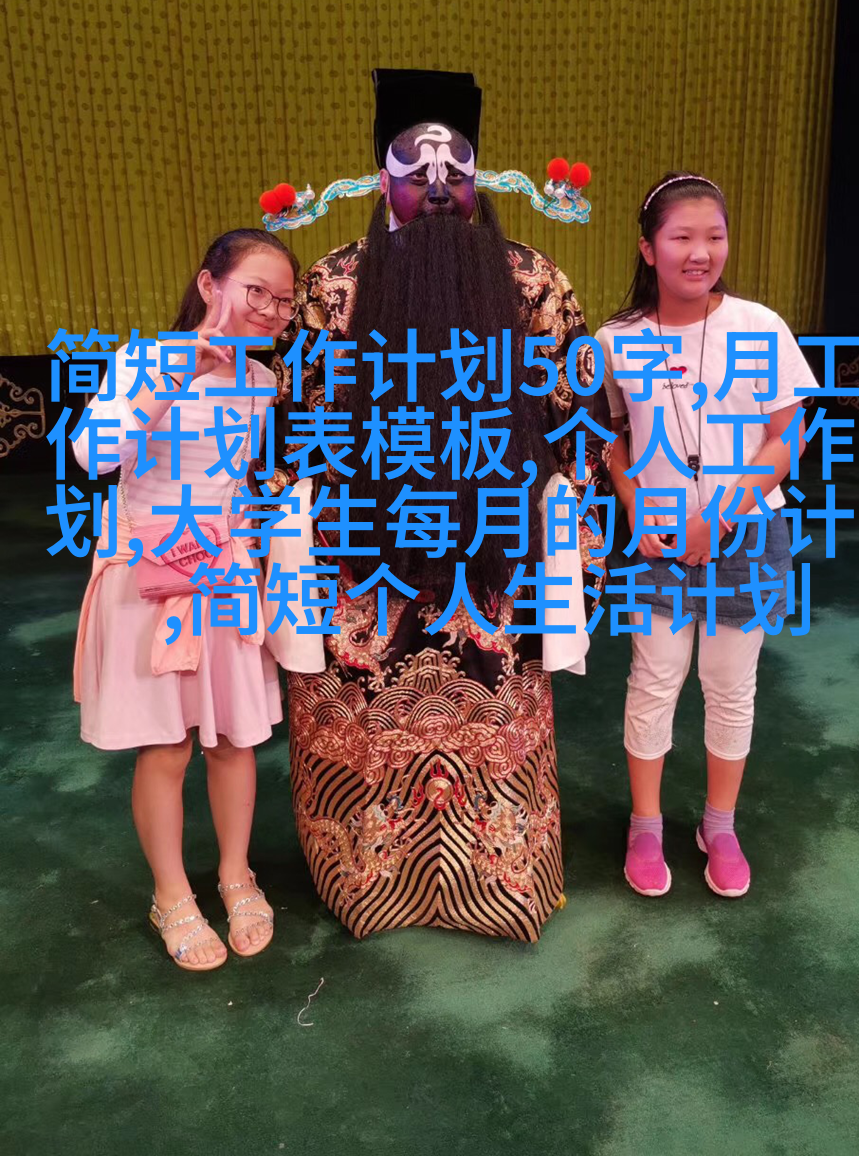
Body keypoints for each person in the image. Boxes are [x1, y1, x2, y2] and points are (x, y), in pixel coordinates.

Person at [258, 68, 611, 942]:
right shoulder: (335, 284)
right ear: (384, 179)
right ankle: (369, 881)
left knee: (496, 704)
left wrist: (571, 540)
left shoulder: (532, 280)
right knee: (365, 713)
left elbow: (577, 420)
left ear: (481, 176)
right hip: (364, 552)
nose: (440, 187)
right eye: (418, 172)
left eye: (457, 171)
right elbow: (293, 425)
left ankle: (500, 882)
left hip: (495, 549)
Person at [71, 228, 299, 970]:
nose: (270, 310)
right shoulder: (144, 359)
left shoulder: (260, 382)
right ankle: (171, 894)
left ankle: (236, 875)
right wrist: (171, 377)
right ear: (209, 286)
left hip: (225, 570)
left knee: (234, 738)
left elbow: (239, 480)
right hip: (150, 576)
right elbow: (92, 454)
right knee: (166, 744)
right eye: (256, 291)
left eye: (283, 301)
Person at [595, 173, 816, 900]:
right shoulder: (617, 340)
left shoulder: (760, 326)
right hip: (656, 542)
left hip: (745, 532)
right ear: (647, 248)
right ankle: (646, 824)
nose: (700, 252)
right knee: (654, 679)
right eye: (682, 237)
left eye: (714, 237)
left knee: (729, 684)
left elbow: (788, 436)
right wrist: (637, 508)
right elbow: (613, 440)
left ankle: (719, 825)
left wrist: (717, 514)